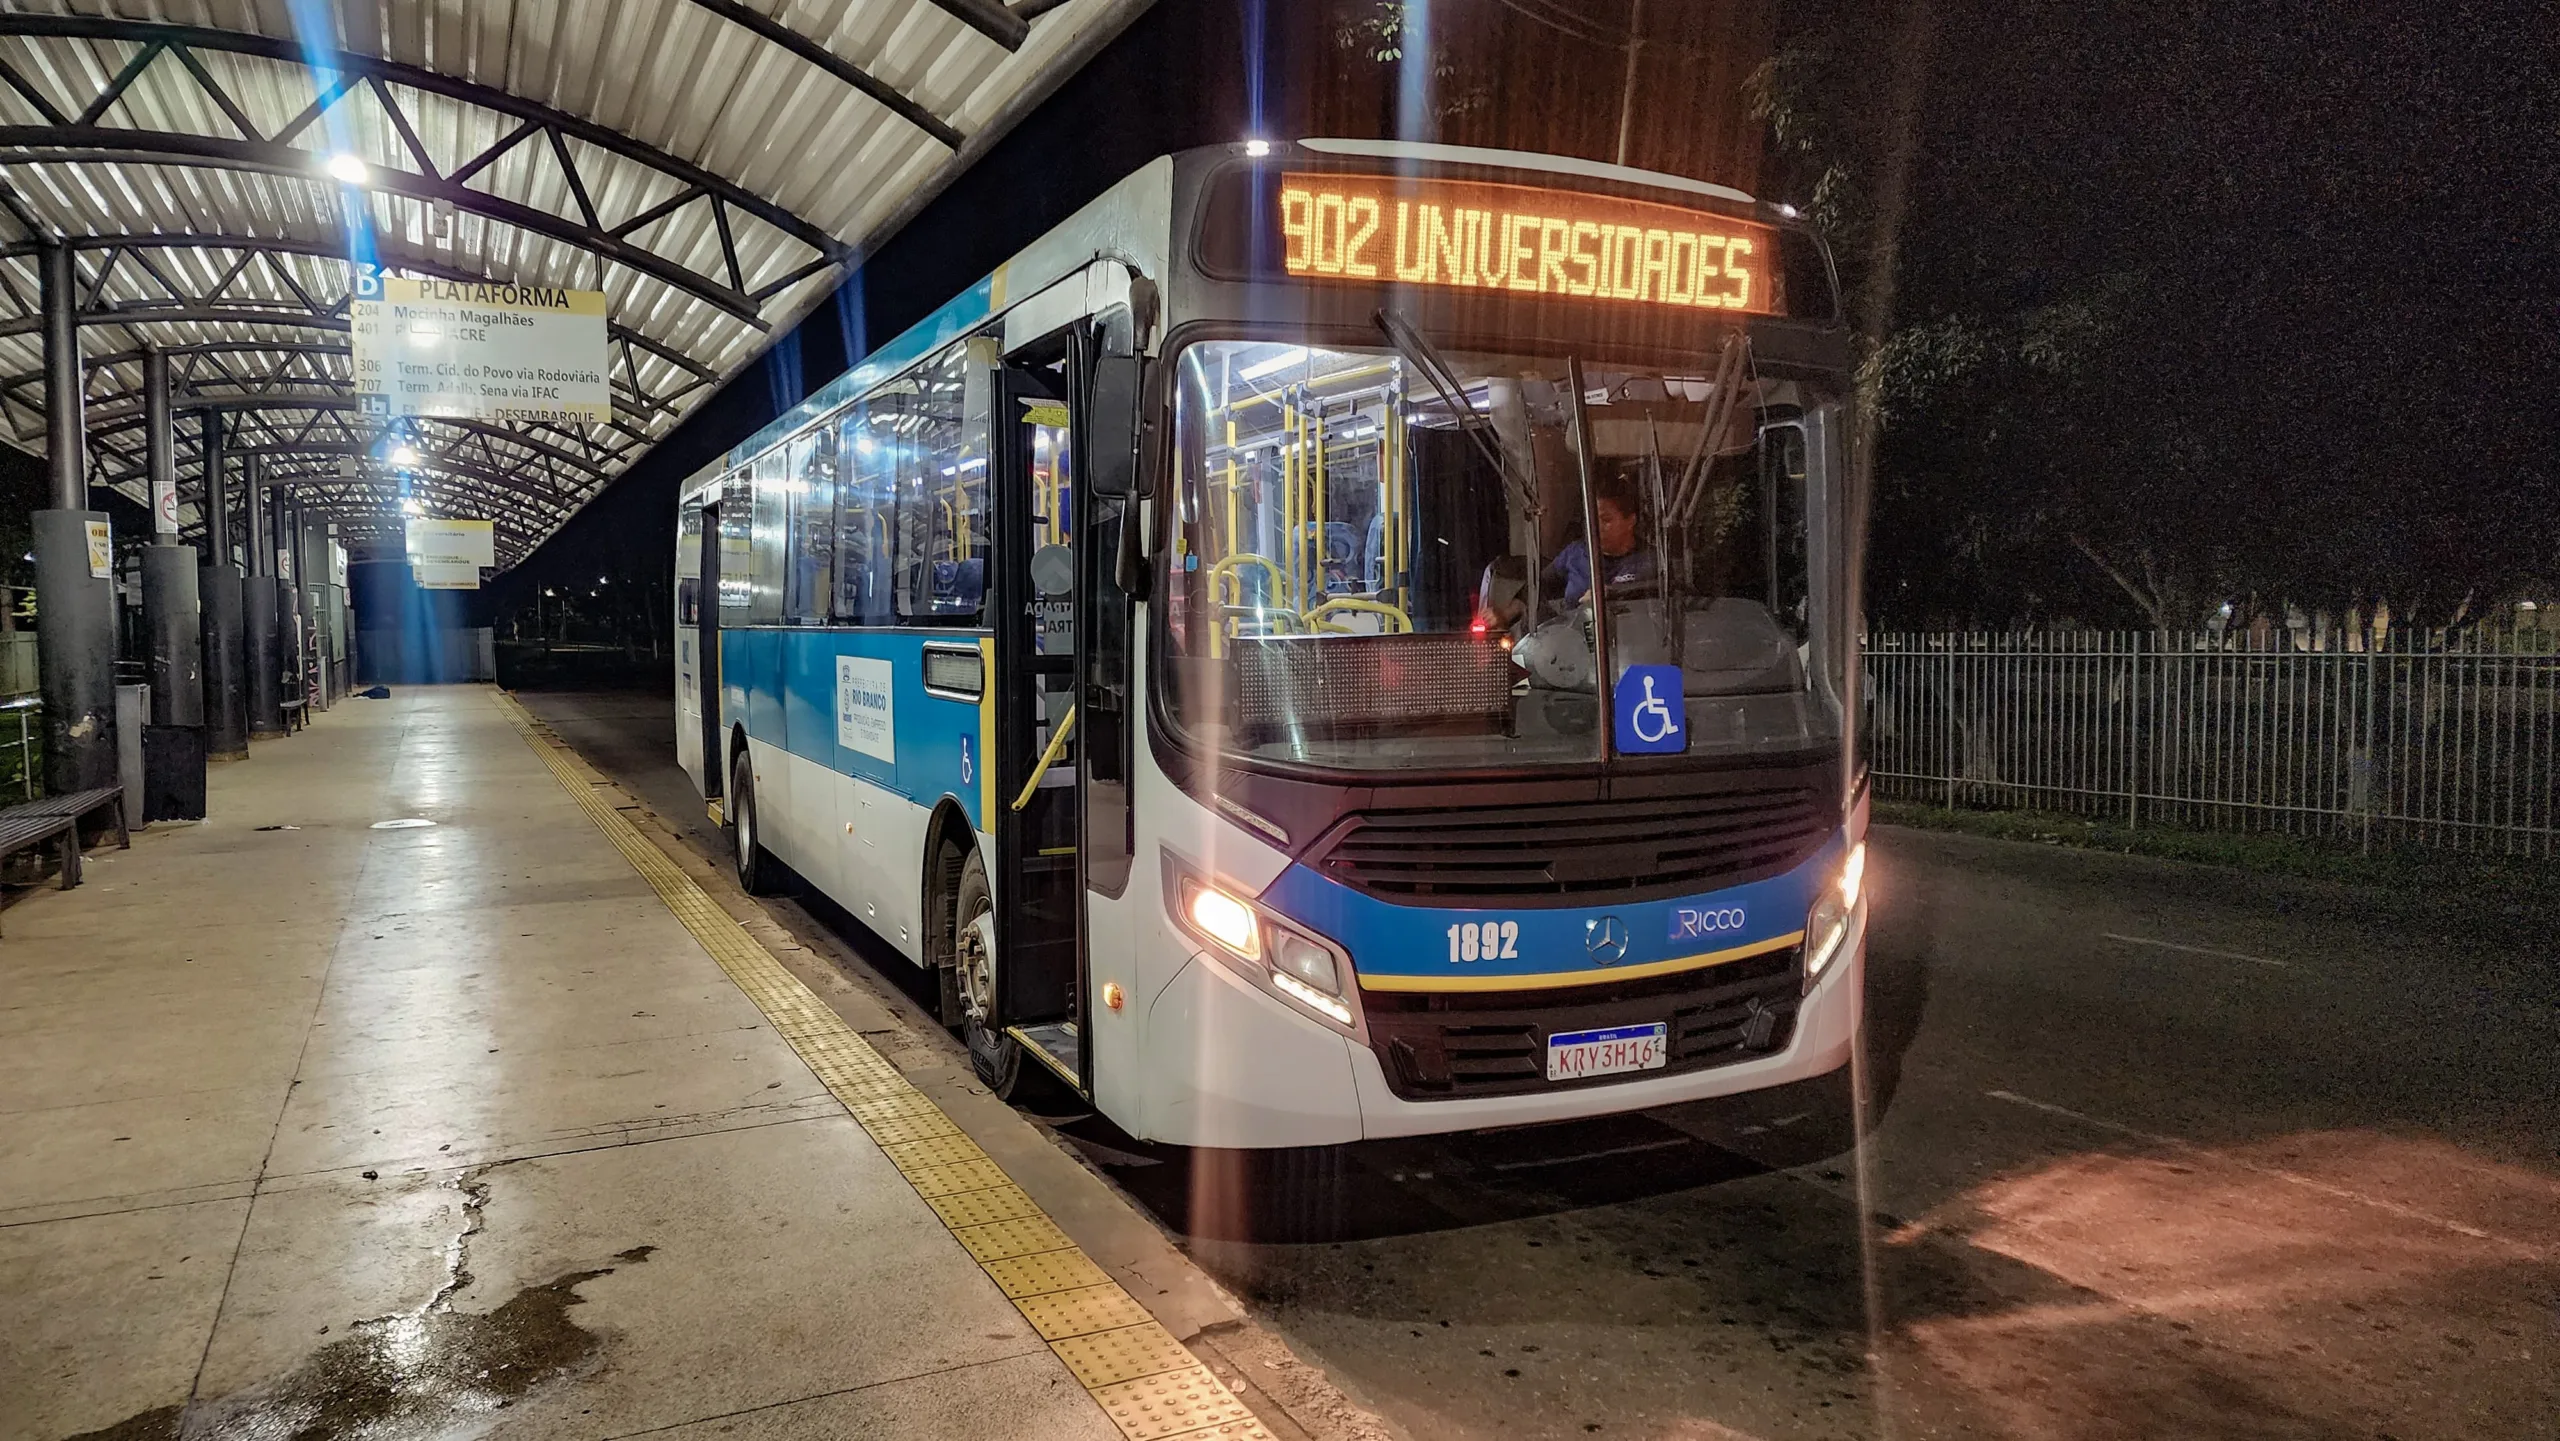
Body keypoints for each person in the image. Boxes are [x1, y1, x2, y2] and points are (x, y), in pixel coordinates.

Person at [1477, 470, 1657, 629]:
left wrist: (1610, 595)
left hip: (1634, 650)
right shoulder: (1575, 553)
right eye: (1591, 519)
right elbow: (1539, 588)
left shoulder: (1652, 560)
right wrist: (1505, 615)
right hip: (1575, 651)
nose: (1596, 527)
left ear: (1630, 521)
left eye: (1606, 520)